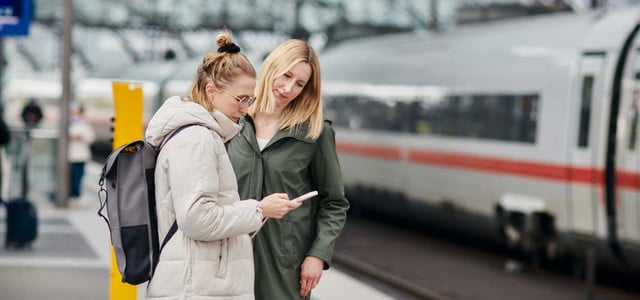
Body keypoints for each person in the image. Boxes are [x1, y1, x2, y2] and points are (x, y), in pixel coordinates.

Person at [143, 30, 300, 299]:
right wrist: (260, 209)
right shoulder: (197, 138)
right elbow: (197, 219)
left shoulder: (205, 135)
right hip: (196, 287)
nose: (244, 109)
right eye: (240, 99)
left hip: (201, 283)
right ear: (211, 91)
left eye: (249, 100)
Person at [227, 39, 350, 299]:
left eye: (300, 84)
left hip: (282, 264)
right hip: (226, 253)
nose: (288, 88)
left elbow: (334, 203)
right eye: (287, 75)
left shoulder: (315, 132)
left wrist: (318, 255)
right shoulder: (233, 120)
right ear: (272, 66)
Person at [67, 103, 95, 206]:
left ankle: (76, 195)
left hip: (81, 155)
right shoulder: (67, 123)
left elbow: (91, 138)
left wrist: (80, 137)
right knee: (72, 176)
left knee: (79, 176)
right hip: (70, 156)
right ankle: (72, 195)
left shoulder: (85, 124)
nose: (74, 114)